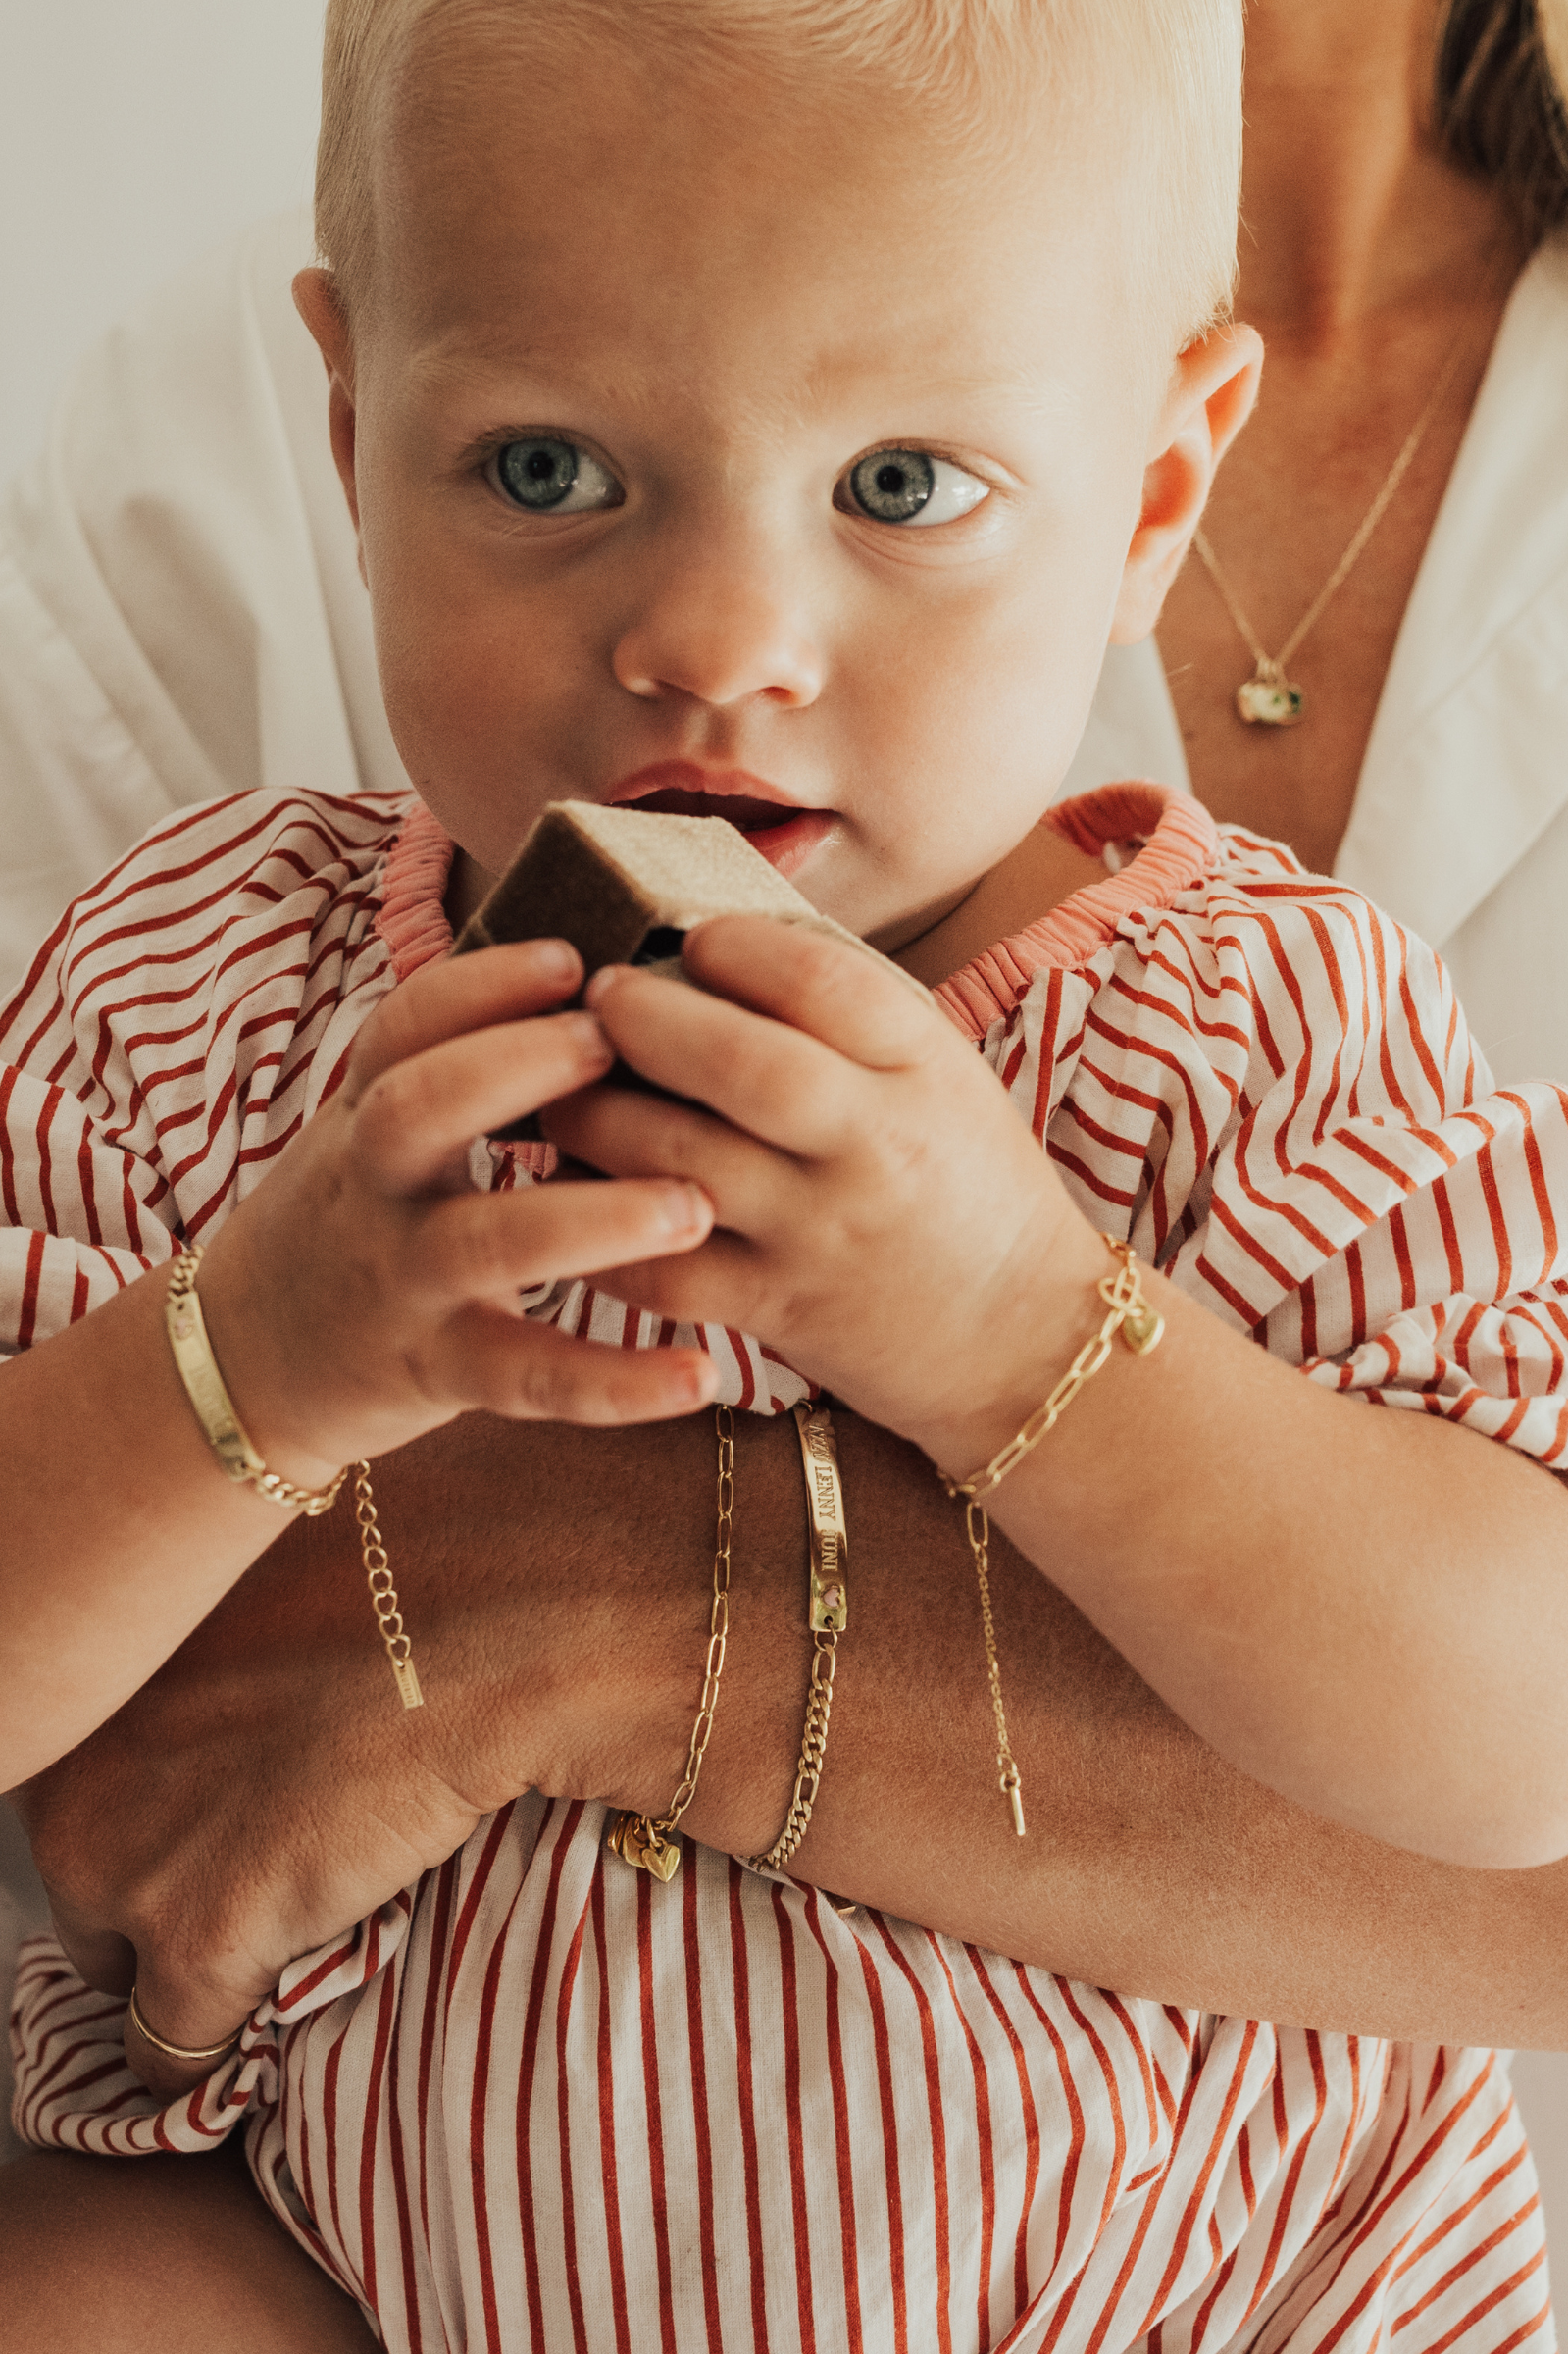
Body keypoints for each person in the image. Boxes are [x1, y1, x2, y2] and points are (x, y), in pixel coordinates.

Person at [5, 1, 1567, 2348]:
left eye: (901, 486)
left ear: (1156, 494)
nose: (712, 647)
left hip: (1192, 2298)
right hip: (349, 2271)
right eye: (544, 470)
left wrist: (1021, 1330)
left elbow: (1520, 1738)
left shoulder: (1257, 1038)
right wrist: (248, 1355)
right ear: (348, 435)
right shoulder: (191, 997)